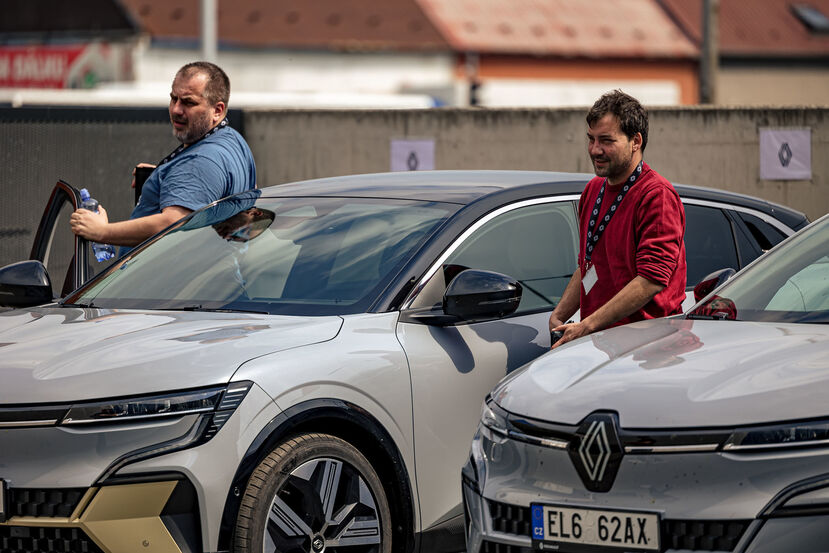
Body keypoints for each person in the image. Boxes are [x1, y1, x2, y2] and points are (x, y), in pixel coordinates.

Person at [549, 90, 686, 349]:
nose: (595, 150)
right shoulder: (593, 190)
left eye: (606, 141)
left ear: (636, 141)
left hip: (649, 350)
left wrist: (586, 325)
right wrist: (559, 315)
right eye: (591, 139)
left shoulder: (656, 195)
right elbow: (589, 265)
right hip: (601, 345)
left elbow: (650, 281)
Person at [69, 61, 257, 247]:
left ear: (217, 110)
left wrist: (102, 231)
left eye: (188, 102)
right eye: (174, 99)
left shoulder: (199, 162)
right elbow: (236, 192)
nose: (176, 110)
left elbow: (173, 224)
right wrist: (167, 176)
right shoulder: (232, 140)